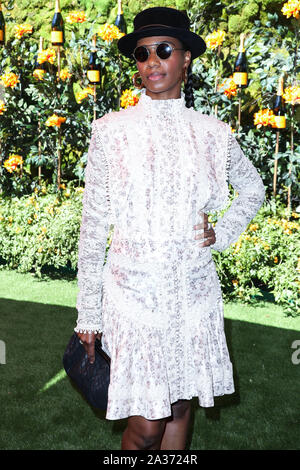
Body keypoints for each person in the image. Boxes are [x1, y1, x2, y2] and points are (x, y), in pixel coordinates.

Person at [75, 7, 265, 450]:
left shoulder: (213, 133)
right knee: (145, 428)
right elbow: (93, 225)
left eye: (163, 50)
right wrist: (88, 312)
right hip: (133, 299)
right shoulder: (110, 132)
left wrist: (223, 230)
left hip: (193, 296)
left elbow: (253, 189)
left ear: (186, 60)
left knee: (180, 412)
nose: (152, 62)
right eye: (142, 54)